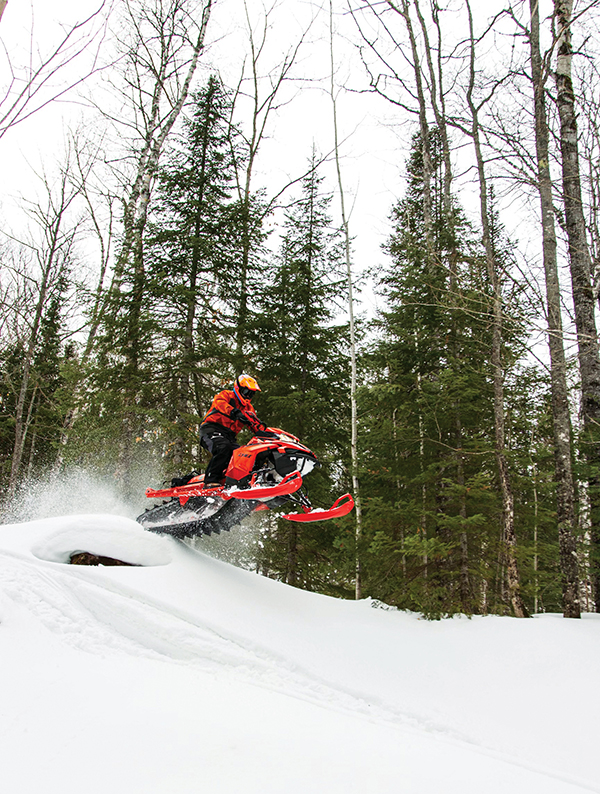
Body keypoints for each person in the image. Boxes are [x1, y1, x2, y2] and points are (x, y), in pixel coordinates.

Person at [199, 374, 272, 489]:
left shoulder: (249, 408)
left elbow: (254, 423)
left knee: (241, 457)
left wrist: (265, 433)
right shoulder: (227, 395)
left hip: (229, 436)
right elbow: (219, 404)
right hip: (211, 429)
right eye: (246, 392)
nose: (248, 396)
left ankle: (236, 483)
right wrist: (234, 412)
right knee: (223, 447)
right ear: (239, 388)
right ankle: (210, 480)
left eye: (251, 394)